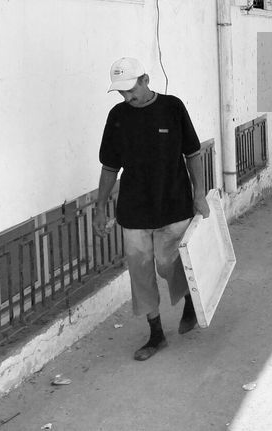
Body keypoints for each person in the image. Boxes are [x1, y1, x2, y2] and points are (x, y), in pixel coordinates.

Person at [94, 57, 210, 361]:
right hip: (134, 210)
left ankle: (188, 300)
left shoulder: (172, 107)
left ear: (145, 80)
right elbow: (109, 166)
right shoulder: (117, 117)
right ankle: (156, 333)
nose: (127, 97)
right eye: (121, 93)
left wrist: (199, 194)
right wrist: (99, 207)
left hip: (174, 203)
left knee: (168, 264)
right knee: (141, 272)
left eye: (130, 90)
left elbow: (193, 153)